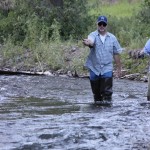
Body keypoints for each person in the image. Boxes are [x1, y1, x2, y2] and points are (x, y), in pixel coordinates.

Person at [83, 15, 122, 104]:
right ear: (97, 24)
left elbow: (116, 54)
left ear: (106, 25)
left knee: (107, 93)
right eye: (100, 24)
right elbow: (91, 42)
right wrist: (88, 43)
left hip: (107, 67)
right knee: (96, 95)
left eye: (103, 24)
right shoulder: (92, 35)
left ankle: (107, 113)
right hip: (94, 67)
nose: (101, 26)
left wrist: (119, 69)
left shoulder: (112, 38)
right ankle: (97, 113)